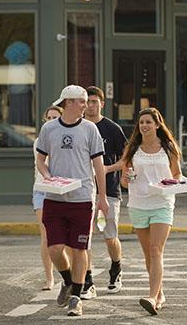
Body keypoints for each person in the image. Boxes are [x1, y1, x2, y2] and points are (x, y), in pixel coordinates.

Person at [35, 85, 109, 317]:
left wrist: (102, 197)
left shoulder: (89, 129)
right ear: (68, 103)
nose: (86, 105)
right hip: (54, 197)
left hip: (81, 199)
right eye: (82, 101)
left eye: (86, 101)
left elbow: (98, 166)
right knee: (55, 248)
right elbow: (40, 159)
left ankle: (76, 297)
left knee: (79, 248)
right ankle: (67, 281)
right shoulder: (49, 129)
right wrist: (48, 176)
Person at [120, 107, 182, 316]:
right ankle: (160, 294)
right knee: (148, 254)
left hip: (162, 203)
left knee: (156, 250)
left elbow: (177, 174)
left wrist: (169, 184)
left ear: (157, 125)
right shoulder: (132, 148)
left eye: (148, 122)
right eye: (141, 123)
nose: (144, 126)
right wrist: (127, 179)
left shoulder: (168, 147)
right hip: (138, 205)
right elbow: (124, 181)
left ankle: (152, 296)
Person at [80, 86, 127, 300]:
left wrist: (107, 169)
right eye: (86, 101)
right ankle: (87, 280)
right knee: (84, 239)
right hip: (82, 191)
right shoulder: (78, 127)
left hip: (108, 191)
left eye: (93, 101)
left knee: (109, 237)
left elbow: (126, 158)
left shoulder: (112, 129)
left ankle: (116, 269)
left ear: (102, 103)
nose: (90, 105)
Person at [33, 105, 63, 291]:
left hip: (64, 190)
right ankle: (49, 278)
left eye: (55, 117)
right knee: (46, 235)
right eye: (49, 118)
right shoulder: (39, 141)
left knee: (66, 237)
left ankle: (68, 275)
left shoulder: (67, 138)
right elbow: (42, 164)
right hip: (42, 190)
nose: (51, 121)